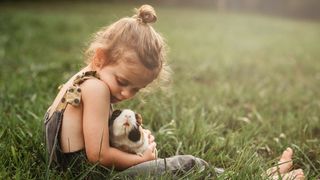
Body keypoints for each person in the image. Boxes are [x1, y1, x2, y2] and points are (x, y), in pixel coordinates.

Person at [43, 4, 304, 179]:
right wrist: (141, 158)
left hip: (71, 169)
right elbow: (97, 155)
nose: (125, 93)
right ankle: (257, 177)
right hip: (84, 175)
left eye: (136, 88)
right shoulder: (97, 88)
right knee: (189, 164)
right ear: (100, 58)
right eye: (122, 81)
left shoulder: (85, 78)